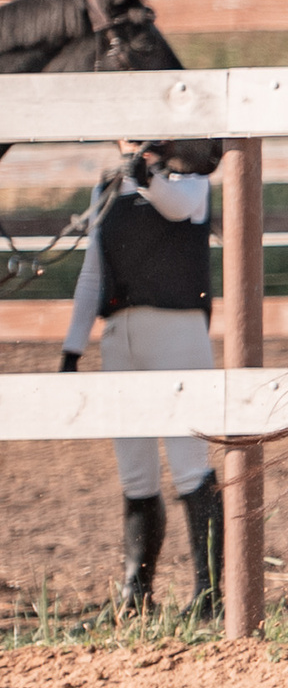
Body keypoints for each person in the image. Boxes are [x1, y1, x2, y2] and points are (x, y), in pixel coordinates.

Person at [60, 139, 221, 615]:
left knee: (190, 462)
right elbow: (93, 272)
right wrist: (73, 348)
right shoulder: (109, 187)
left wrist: (146, 174)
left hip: (177, 330)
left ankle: (209, 593)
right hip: (119, 336)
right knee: (135, 471)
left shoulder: (189, 176)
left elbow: (179, 207)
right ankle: (136, 594)